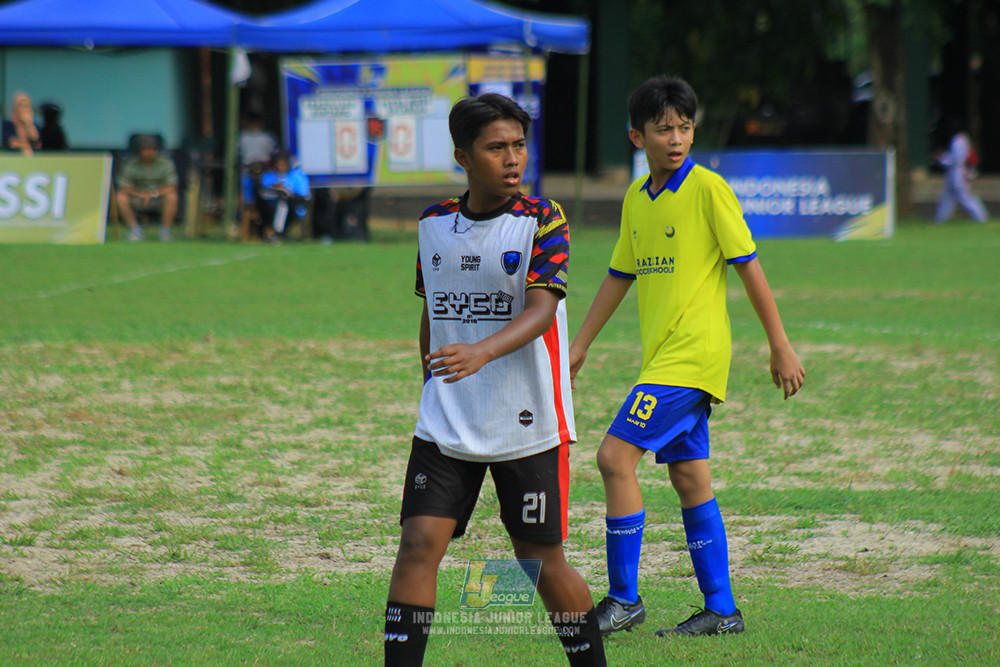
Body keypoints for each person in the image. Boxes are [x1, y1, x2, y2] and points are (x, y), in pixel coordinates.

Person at [569, 76, 805, 639]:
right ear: (636, 136)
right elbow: (619, 276)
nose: (675, 138)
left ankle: (623, 600)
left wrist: (779, 343)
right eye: (662, 128)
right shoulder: (635, 198)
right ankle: (722, 610)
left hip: (691, 358)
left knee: (613, 459)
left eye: (684, 127)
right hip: (664, 359)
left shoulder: (708, 189)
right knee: (690, 477)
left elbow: (747, 263)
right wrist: (581, 344)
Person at [383, 93, 605, 667]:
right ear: (463, 156)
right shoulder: (434, 224)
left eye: (518, 145)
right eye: (496, 147)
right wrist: (430, 379)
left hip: (524, 419)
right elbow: (432, 308)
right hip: (446, 418)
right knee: (417, 546)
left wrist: (480, 352)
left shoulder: (542, 219)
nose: (513, 159)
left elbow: (539, 310)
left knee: (539, 561)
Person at [115, 135, 179, 241]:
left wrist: (152, 194)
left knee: (172, 196)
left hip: (158, 197)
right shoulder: (130, 164)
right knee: (120, 197)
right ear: (139, 151)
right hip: (137, 197)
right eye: (146, 150)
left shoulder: (165, 163)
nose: (149, 153)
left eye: (152, 150)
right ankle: (135, 230)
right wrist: (140, 194)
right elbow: (123, 186)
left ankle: (165, 231)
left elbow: (172, 186)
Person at [934, 118, 989, 224]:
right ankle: (940, 219)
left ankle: (981, 216)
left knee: (964, 197)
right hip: (953, 173)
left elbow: (956, 160)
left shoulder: (958, 140)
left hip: (958, 173)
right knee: (947, 197)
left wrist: (942, 159)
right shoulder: (961, 139)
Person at [255, 151, 310, 242]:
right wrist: (277, 190)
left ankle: (278, 232)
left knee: (282, 202)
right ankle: (270, 232)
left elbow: (304, 196)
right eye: (279, 164)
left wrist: (286, 192)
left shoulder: (297, 176)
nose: (281, 167)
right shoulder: (269, 176)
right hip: (269, 208)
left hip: (293, 208)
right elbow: (263, 192)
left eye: (284, 164)